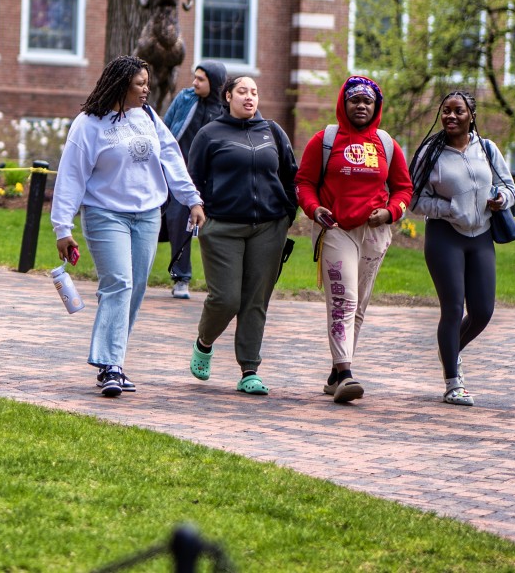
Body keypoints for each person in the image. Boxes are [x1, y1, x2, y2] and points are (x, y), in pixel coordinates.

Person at [52, 55, 205, 398]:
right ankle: (109, 365)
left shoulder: (149, 117)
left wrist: (192, 200)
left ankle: (115, 361)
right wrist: (62, 227)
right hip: (106, 214)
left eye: (146, 83)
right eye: (140, 84)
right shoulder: (88, 124)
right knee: (119, 282)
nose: (146, 89)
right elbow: (71, 176)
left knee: (134, 287)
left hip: (149, 215)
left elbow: (171, 159)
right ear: (121, 86)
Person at [296, 74, 413, 404]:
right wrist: (313, 208)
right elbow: (303, 182)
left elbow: (404, 188)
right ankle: (346, 373)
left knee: (358, 306)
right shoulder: (325, 140)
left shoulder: (387, 144)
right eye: (354, 100)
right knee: (343, 299)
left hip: (375, 232)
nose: (361, 106)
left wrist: (391, 212)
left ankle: (336, 372)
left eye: (367, 102)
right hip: (336, 229)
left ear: (376, 107)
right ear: (343, 104)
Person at [185, 74, 298, 396]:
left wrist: (288, 213)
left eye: (255, 92)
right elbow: (193, 179)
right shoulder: (209, 134)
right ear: (228, 96)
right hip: (222, 227)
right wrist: (199, 211)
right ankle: (204, 342)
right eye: (243, 92)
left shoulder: (272, 132)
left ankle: (250, 370)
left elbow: (291, 174)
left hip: (269, 227)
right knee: (226, 298)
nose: (250, 97)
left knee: (255, 301)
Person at [409, 90, 515, 407]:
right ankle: (453, 382)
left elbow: (509, 188)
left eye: (458, 111)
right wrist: (450, 208)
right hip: (445, 236)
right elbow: (415, 200)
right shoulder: (431, 152)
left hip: (481, 234)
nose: (451, 116)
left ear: (472, 115)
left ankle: (449, 351)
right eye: (445, 111)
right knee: (453, 309)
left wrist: (501, 200)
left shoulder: (487, 149)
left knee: (483, 311)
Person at [160, 61, 228, 298]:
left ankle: (221, 285)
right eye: (195, 77)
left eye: (201, 79)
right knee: (178, 220)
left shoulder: (225, 109)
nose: (194, 83)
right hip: (181, 175)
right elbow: (165, 128)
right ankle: (181, 278)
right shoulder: (185, 98)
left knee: (216, 231)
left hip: (212, 179)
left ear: (216, 83)